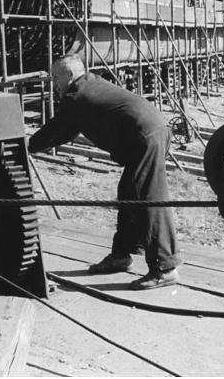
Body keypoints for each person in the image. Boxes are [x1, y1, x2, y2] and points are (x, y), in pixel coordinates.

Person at [28, 54, 181, 290]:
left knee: (147, 198)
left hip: (144, 137)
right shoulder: (92, 83)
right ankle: (120, 256)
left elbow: (60, 130)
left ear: (69, 75)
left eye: (56, 78)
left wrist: (28, 145)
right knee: (129, 192)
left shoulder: (76, 95)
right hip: (151, 131)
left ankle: (166, 267)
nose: (54, 84)